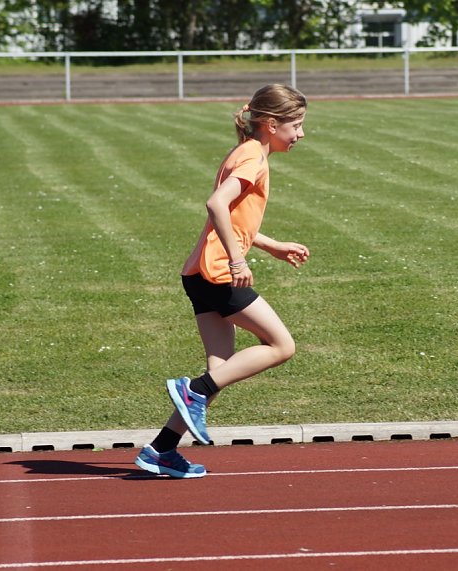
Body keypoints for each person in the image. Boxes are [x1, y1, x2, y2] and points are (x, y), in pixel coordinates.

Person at [135, 84, 310, 478]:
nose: (300, 134)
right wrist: (236, 259)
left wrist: (271, 245)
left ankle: (160, 450)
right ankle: (191, 390)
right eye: (295, 125)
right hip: (218, 272)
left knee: (219, 371)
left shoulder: (245, 152)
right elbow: (215, 205)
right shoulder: (253, 159)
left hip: (198, 274)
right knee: (281, 345)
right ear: (270, 124)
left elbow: (232, 216)